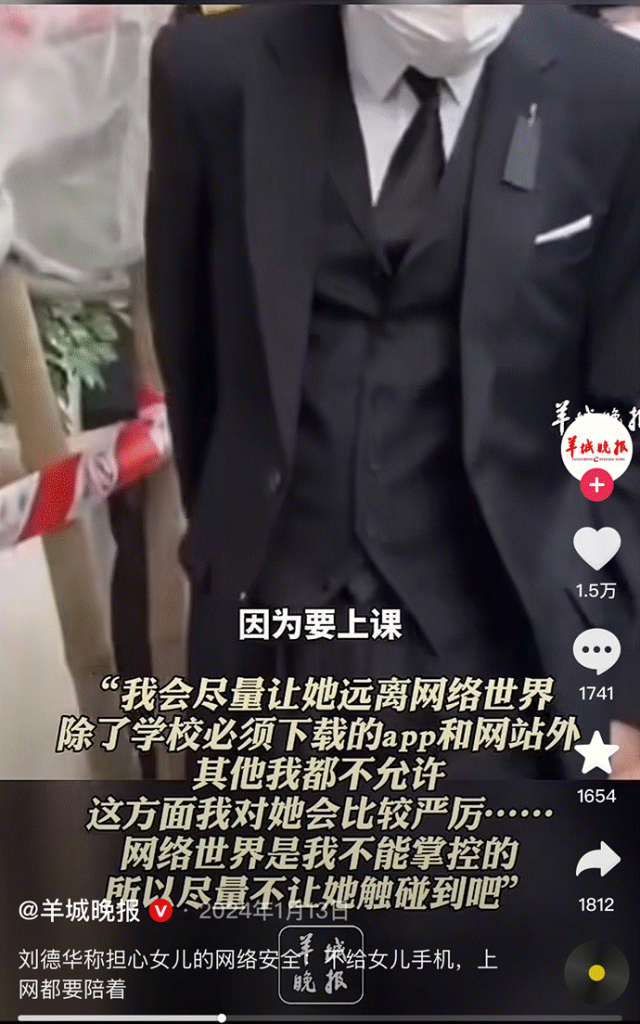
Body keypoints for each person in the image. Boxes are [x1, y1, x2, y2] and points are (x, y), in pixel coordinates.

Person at [146, 4, 640, 780]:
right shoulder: (212, 76)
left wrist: (625, 683)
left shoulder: (611, 92)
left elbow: (621, 407)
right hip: (276, 645)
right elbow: (194, 361)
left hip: (510, 648)